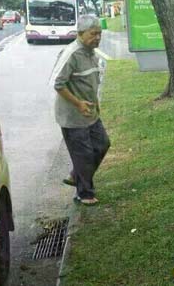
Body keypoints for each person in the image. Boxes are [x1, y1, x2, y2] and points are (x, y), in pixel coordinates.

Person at [53, 15, 109, 206]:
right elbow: (58, 84)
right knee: (83, 155)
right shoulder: (71, 54)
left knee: (102, 144)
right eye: (93, 34)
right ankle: (84, 194)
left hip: (91, 113)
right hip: (72, 116)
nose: (98, 38)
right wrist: (78, 103)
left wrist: (95, 104)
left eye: (100, 34)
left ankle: (77, 174)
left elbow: (92, 81)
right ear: (80, 34)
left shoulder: (91, 52)